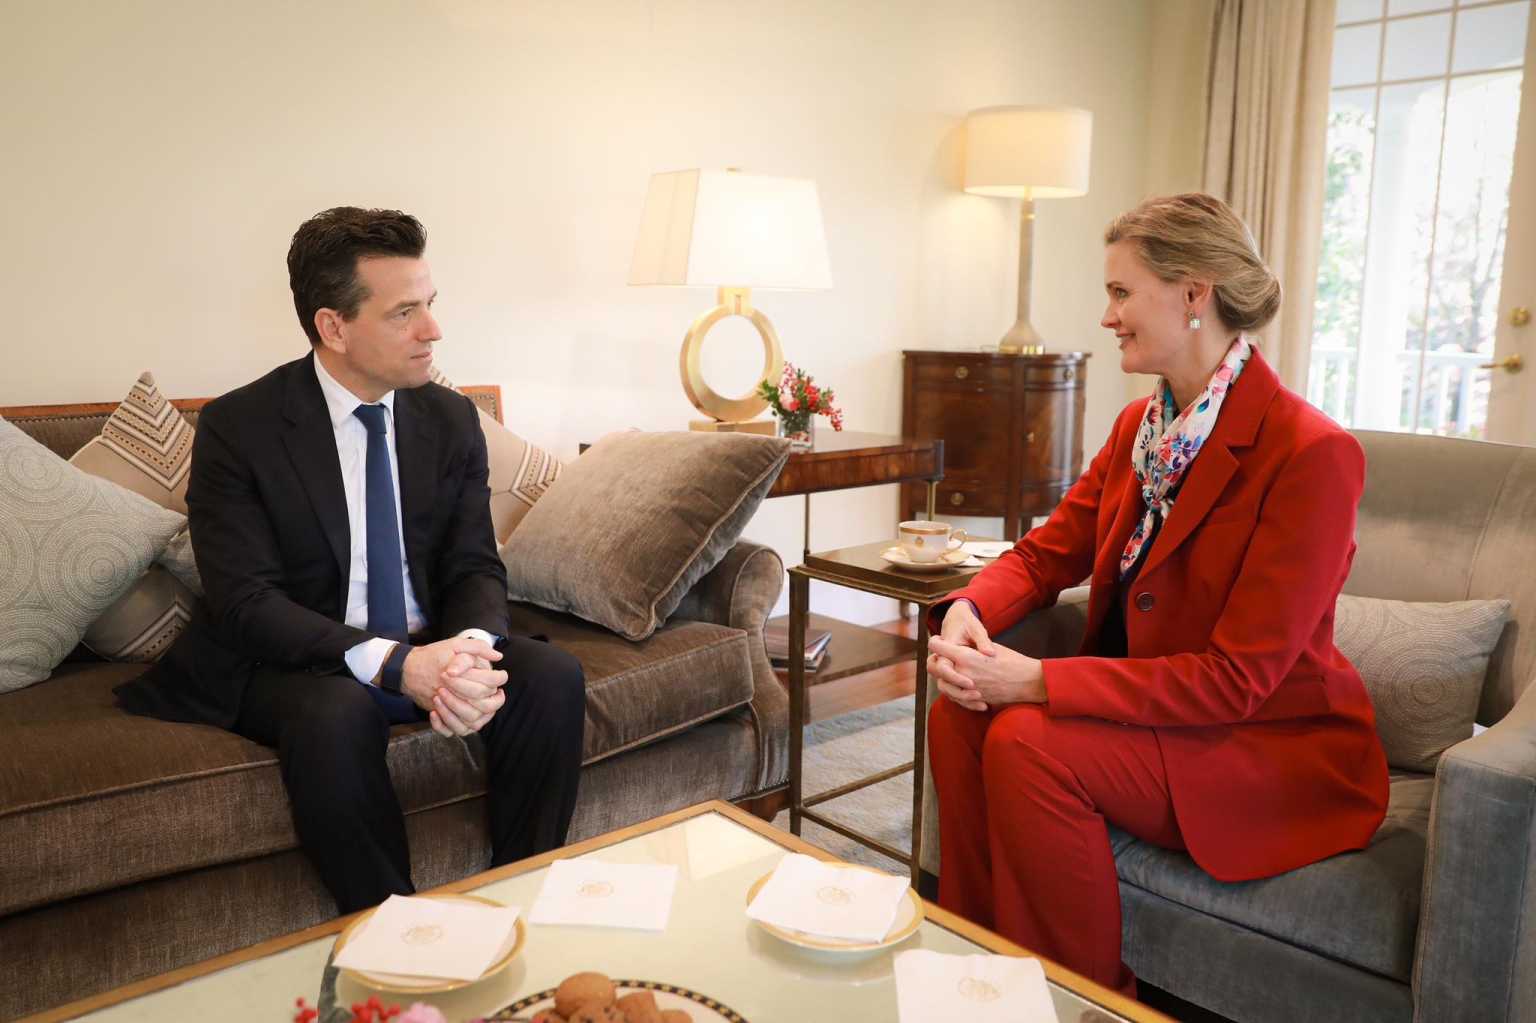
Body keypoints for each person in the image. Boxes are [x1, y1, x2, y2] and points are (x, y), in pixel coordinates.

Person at [924, 193, 1389, 997]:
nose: (1106, 316)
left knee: (1026, 739)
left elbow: (1236, 679)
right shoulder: (1140, 429)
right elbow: (1042, 555)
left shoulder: (1311, 454)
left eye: (1120, 292)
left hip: (1259, 744)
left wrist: (1036, 681)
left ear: (1193, 293)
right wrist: (969, 611)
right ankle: (981, 981)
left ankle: (1084, 1005)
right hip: (1152, 717)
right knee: (957, 714)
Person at [117, 207, 585, 914]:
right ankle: (392, 930)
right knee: (336, 712)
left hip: (427, 640)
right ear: (333, 327)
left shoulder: (449, 417)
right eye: (404, 313)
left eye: (430, 304)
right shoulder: (239, 428)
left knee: (551, 674)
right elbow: (246, 602)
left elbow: (474, 566)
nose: (433, 329)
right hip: (293, 660)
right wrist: (397, 665)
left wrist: (467, 650)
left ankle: (519, 898)